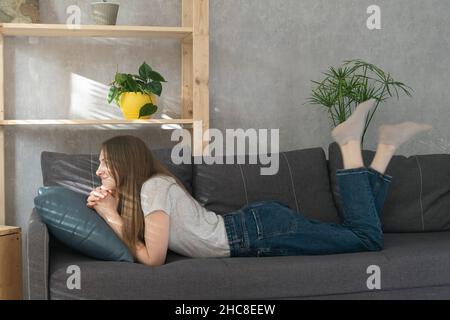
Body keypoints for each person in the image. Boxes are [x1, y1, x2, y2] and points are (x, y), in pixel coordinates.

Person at [87, 99, 432, 267]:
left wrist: (109, 215)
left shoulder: (152, 189)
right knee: (358, 233)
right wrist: (115, 203)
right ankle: (386, 146)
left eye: (105, 163)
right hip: (255, 228)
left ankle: (348, 143)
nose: (100, 170)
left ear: (125, 163)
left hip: (255, 234)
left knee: (366, 239)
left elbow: (153, 259)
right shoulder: (149, 189)